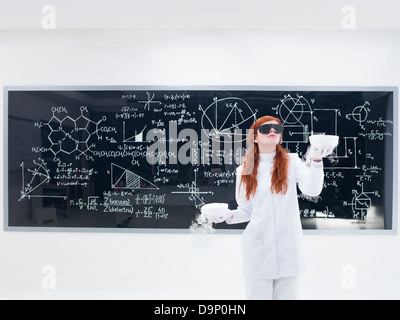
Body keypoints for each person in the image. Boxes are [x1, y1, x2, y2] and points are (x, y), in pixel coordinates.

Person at [214, 115, 330, 300]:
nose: (273, 131)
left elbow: (312, 189)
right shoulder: (244, 169)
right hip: (258, 250)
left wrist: (316, 161)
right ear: (255, 137)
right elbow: (246, 211)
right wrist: (227, 215)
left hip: (288, 250)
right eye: (266, 129)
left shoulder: (292, 162)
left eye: (277, 128)